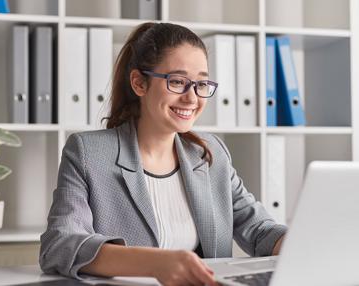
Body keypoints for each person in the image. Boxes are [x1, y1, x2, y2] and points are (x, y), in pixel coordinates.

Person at [40, 22, 287, 286]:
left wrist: (305, 243)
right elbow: (59, 244)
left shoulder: (210, 153)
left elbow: (260, 230)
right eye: (178, 82)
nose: (192, 98)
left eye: (201, 83)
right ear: (139, 83)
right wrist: (156, 263)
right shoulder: (88, 152)